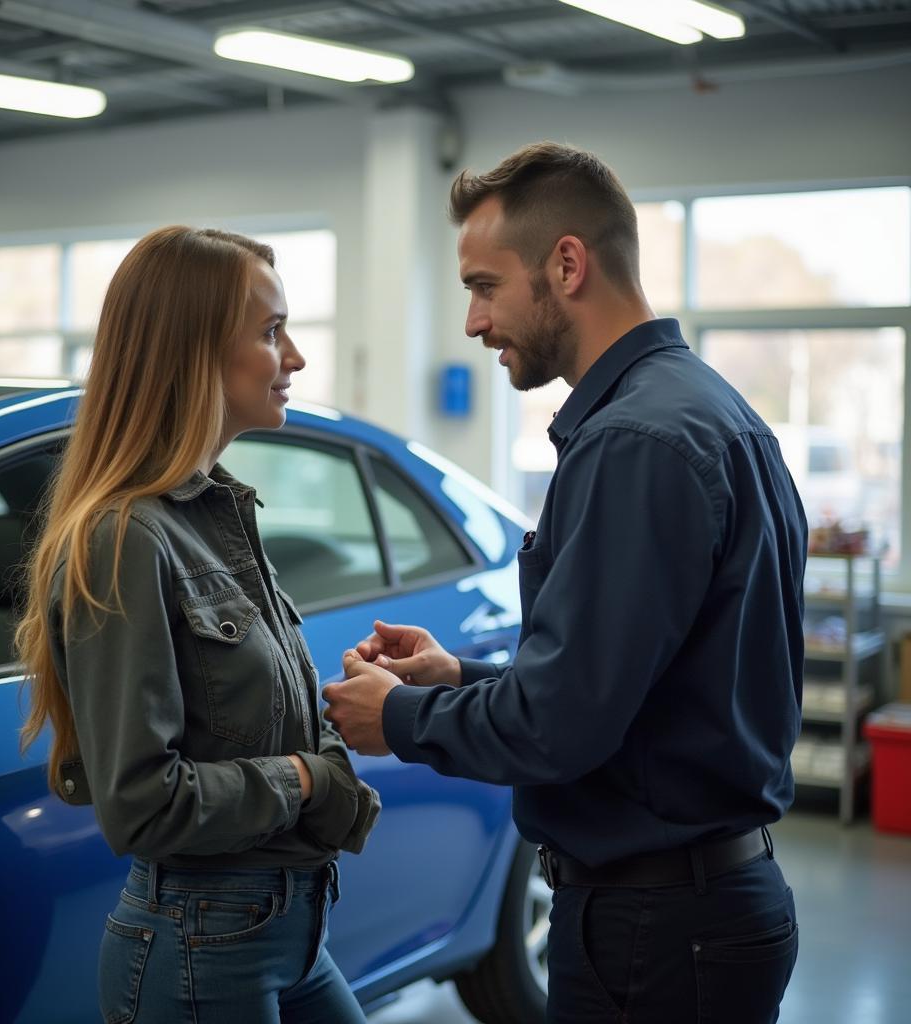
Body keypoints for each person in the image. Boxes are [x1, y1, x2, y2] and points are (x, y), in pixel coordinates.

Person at [323, 143, 806, 1024]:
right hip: (701, 911)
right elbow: (640, 693)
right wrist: (458, 681)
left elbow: (561, 727)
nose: (473, 322)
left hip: (654, 933)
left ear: (567, 265)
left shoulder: (636, 444)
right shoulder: (711, 412)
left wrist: (397, 718)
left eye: (483, 286)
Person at [17, 226, 378, 1024]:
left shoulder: (216, 514)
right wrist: (307, 779)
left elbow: (261, 723)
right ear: (192, 351)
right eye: (270, 331)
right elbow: (143, 803)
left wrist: (340, 723)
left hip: (292, 929)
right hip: (200, 944)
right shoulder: (124, 539)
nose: (295, 359)